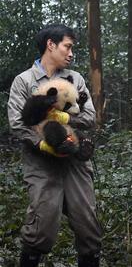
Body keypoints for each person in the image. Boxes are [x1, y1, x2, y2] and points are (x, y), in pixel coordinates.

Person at [6, 25, 102, 267]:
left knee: (88, 225)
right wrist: (43, 145)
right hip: (41, 164)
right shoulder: (24, 81)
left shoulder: (75, 79)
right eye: (67, 47)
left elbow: (90, 117)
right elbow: (17, 123)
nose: (71, 53)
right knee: (41, 225)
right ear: (51, 44)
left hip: (75, 161)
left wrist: (64, 117)